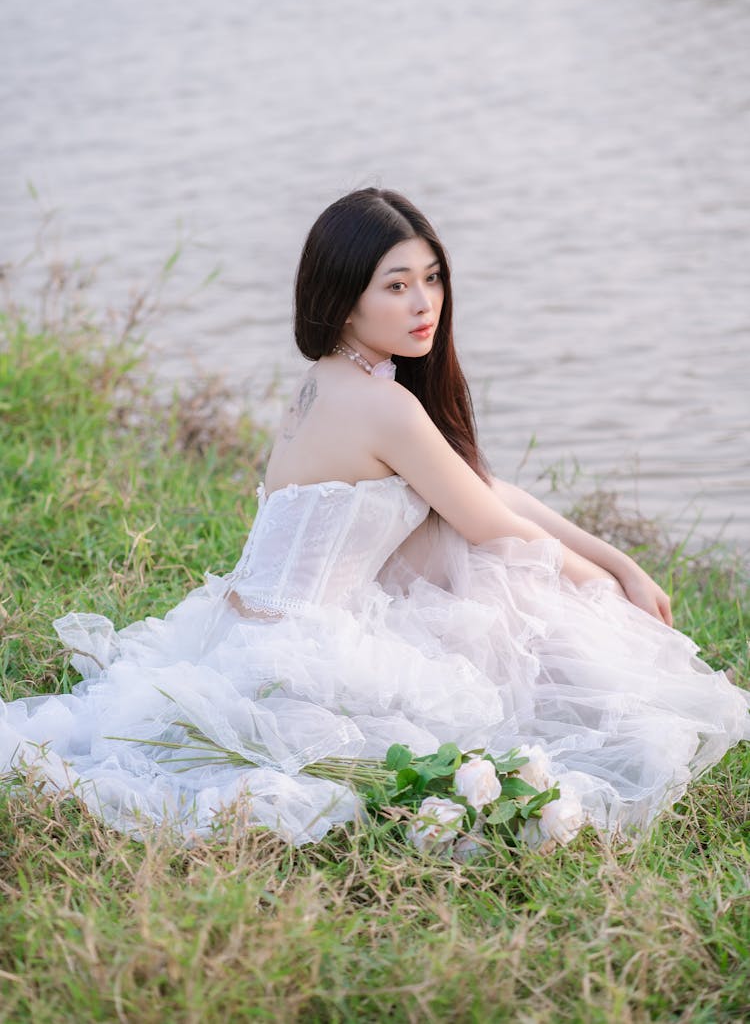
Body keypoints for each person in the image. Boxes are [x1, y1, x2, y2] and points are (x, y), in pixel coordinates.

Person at [2, 188, 748, 847]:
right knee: (514, 574)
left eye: (432, 280)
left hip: (246, 629)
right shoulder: (383, 405)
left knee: (495, 562)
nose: (424, 304)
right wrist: (612, 596)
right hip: (305, 658)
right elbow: (493, 525)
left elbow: (481, 486)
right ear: (344, 296)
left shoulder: (332, 378)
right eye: (397, 285)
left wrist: (621, 561)